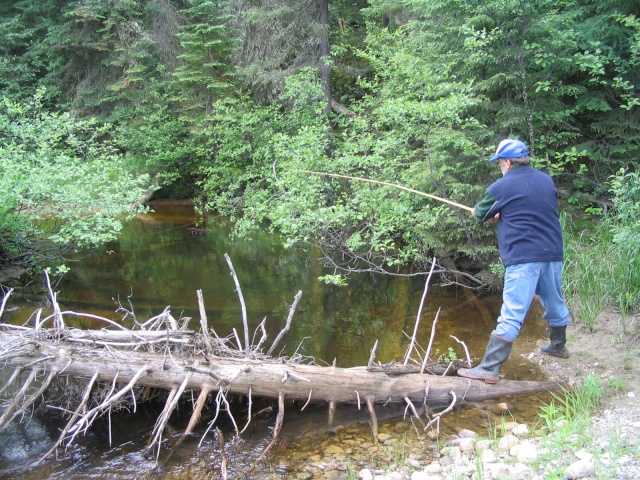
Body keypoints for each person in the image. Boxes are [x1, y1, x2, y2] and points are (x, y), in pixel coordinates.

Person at [458, 138, 571, 384]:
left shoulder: (502, 186)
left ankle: (489, 368)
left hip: (523, 257)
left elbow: (480, 213)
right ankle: (558, 347)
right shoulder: (545, 180)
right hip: (552, 252)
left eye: (499, 162)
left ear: (507, 162)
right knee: (554, 301)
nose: (499, 166)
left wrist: (479, 213)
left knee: (511, 312)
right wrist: (499, 215)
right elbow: (530, 209)